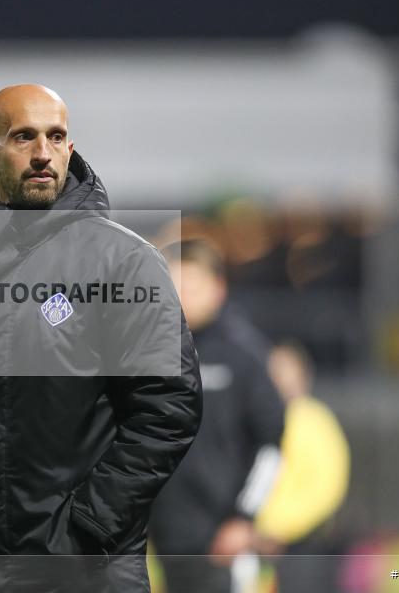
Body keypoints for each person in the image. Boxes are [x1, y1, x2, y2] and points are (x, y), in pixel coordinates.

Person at [0, 84, 203, 592]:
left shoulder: (125, 263)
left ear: (70, 148)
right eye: (23, 137)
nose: (43, 154)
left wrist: (90, 528)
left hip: (86, 571)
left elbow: (168, 408)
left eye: (55, 137)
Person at [149, 238, 285, 593]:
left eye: (191, 286)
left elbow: (271, 445)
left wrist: (243, 519)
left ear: (218, 288)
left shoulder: (243, 357)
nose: (182, 296)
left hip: (221, 542)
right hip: (161, 539)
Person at [256, 342, 350, 593]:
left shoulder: (314, 421)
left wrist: (277, 529)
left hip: (304, 546)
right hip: (254, 544)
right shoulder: (254, 419)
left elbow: (325, 489)